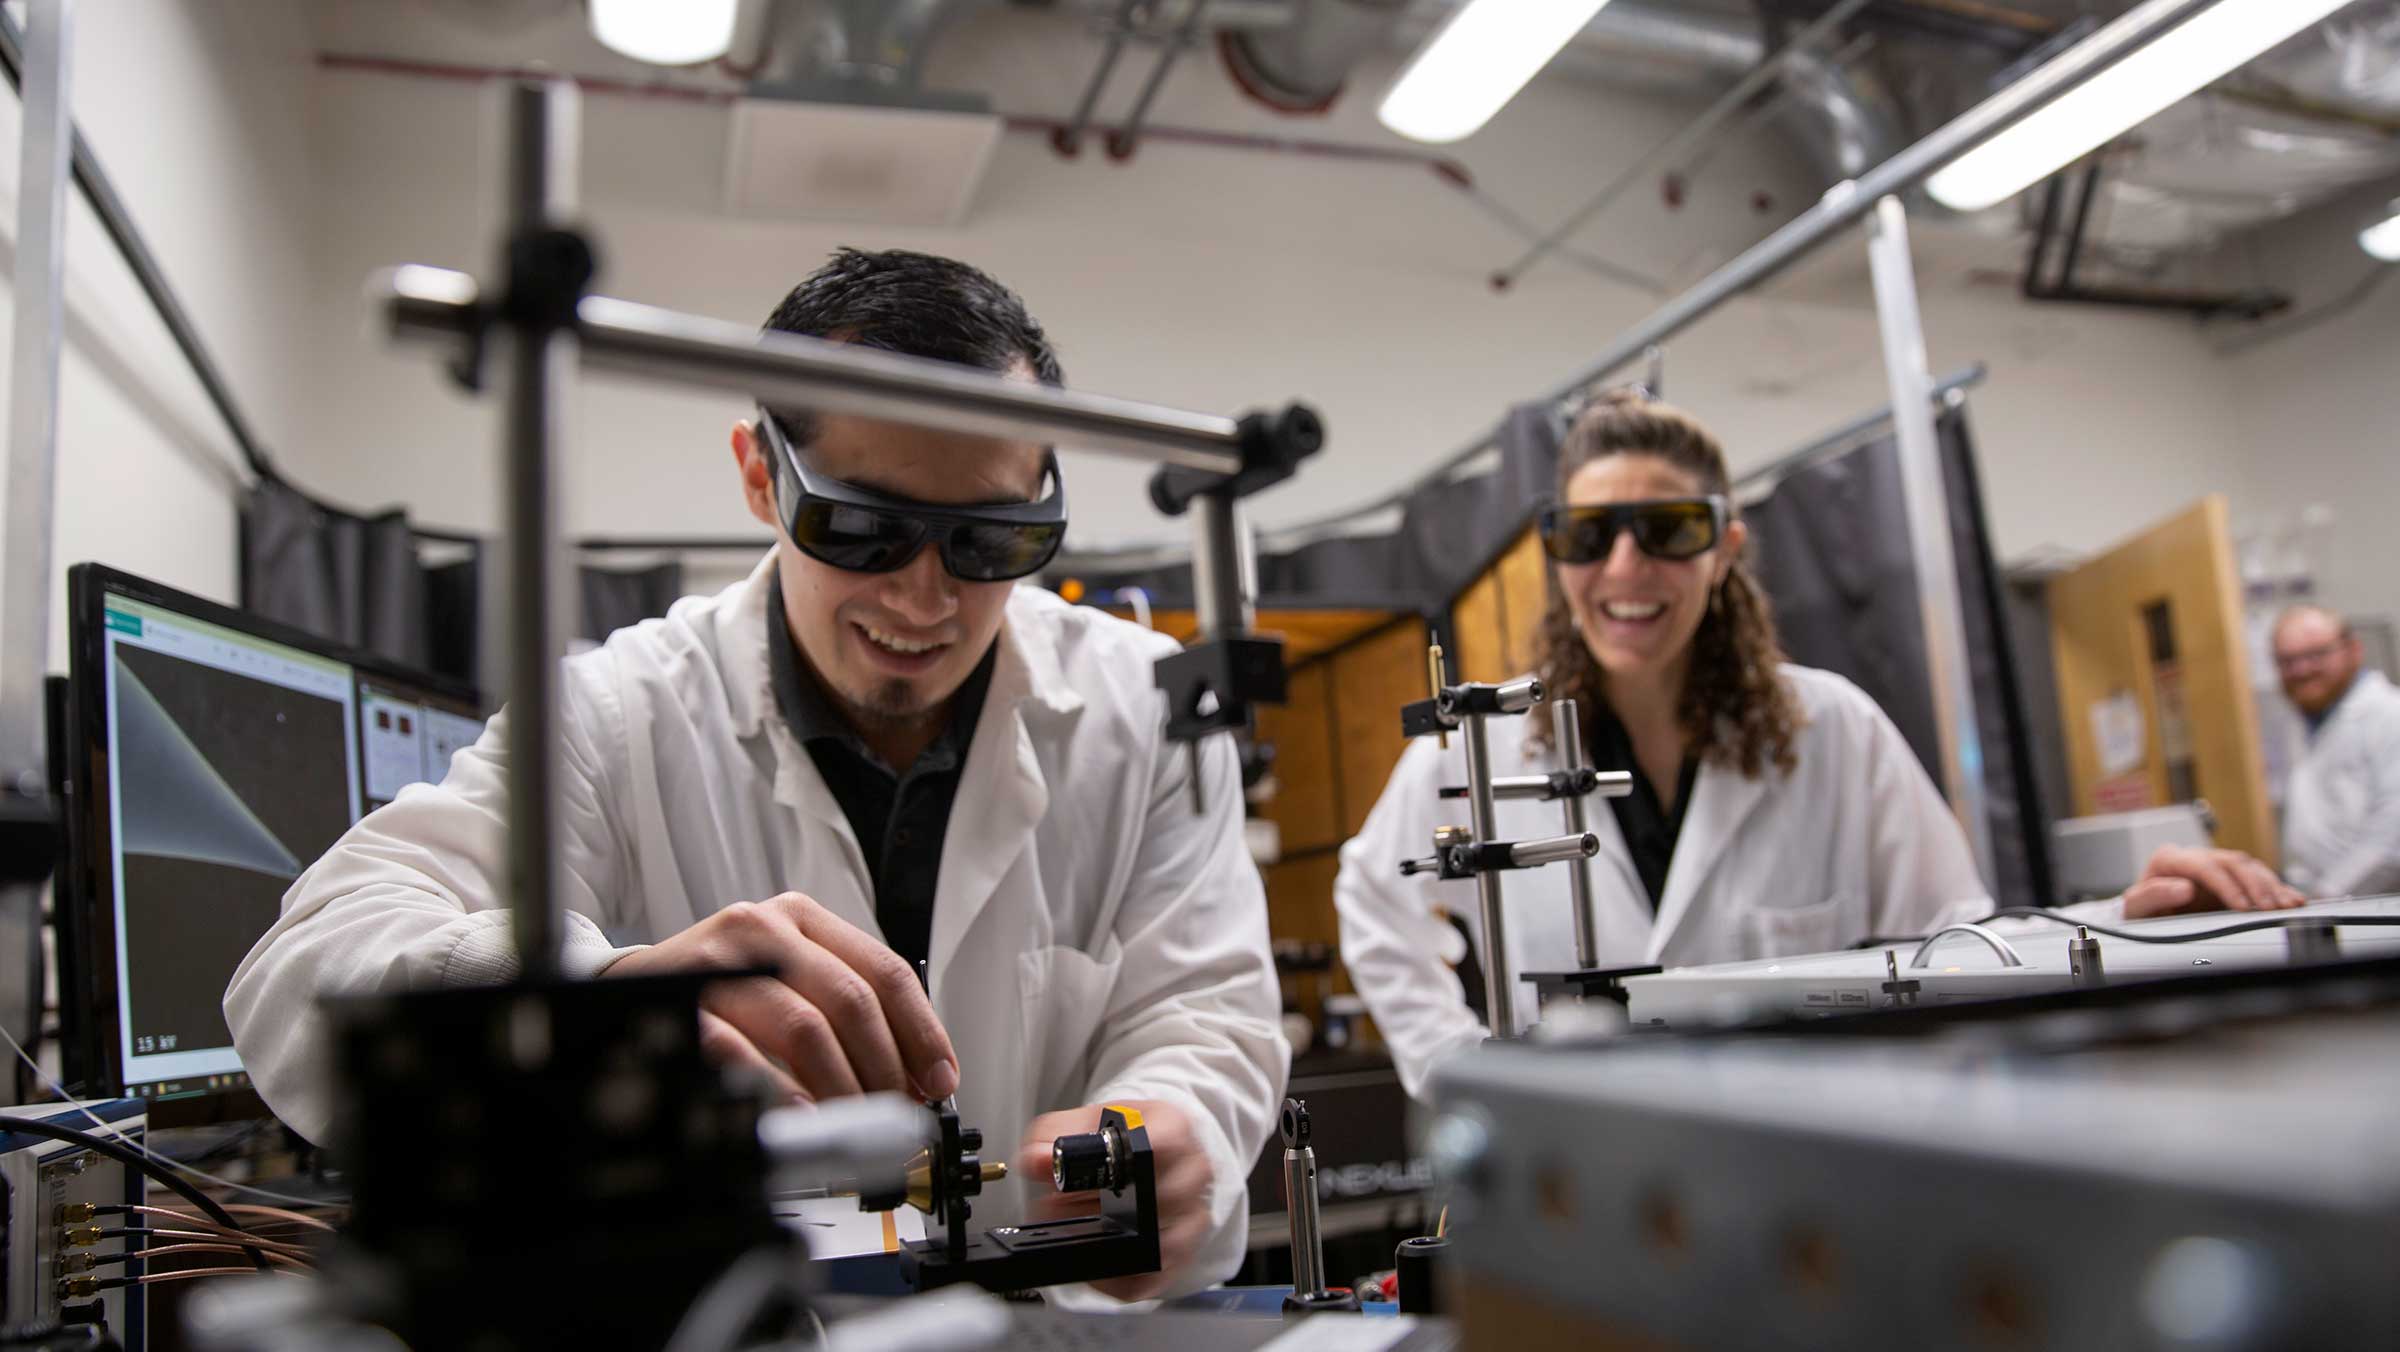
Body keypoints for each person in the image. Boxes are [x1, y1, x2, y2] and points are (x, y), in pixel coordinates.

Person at [225, 248, 1287, 1301]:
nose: (927, 600)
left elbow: (1205, 1007)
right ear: (758, 473)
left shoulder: (1143, 705)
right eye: (864, 528)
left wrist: (1166, 1123)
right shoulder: (614, 711)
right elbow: (299, 974)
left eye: (991, 541)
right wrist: (604, 1010)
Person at [1336, 392, 2298, 1098]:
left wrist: (2122, 924)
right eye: (1588, 535)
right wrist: (1459, 1070)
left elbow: (1951, 939)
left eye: (1668, 529)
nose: (1625, 567)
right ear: (1557, 554)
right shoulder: (1483, 750)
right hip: (1584, 1161)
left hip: (1789, 1161)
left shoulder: (1830, 728)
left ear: (1726, 549)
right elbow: (1375, 900)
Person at [2272, 603, 2400, 898]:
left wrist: (2326, 895)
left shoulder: (2391, 715)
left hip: (2378, 911)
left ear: (2353, 650)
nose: (2301, 670)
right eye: (2286, 661)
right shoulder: (2302, 724)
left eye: (2315, 655)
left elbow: (2392, 834)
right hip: (2328, 907)